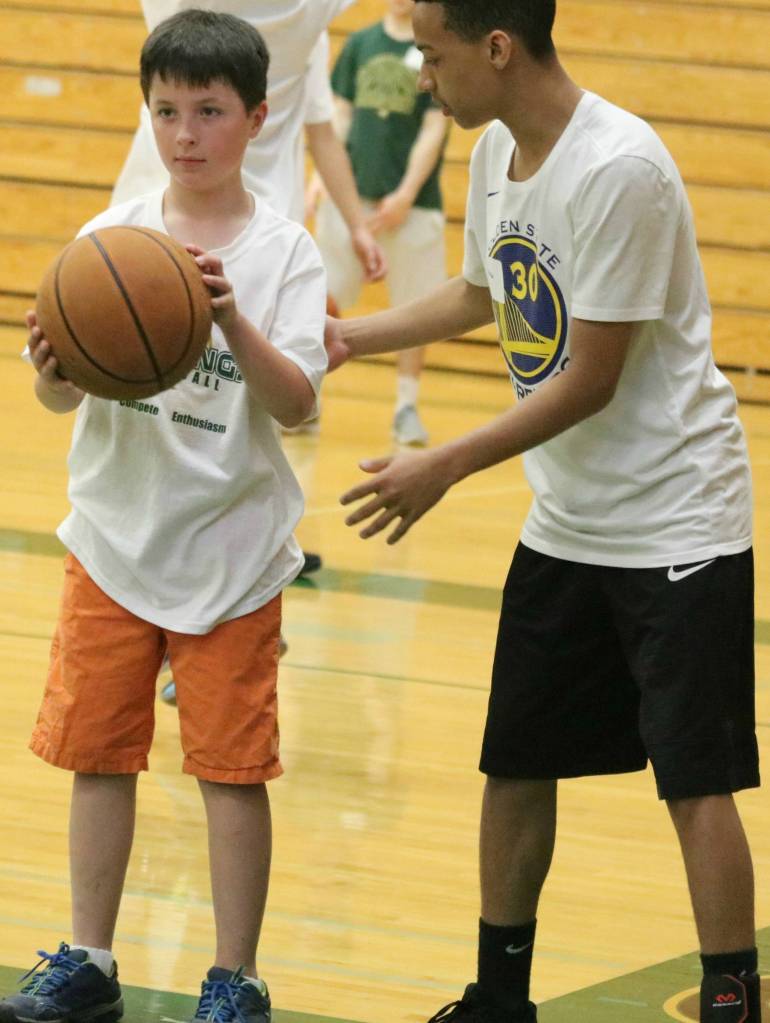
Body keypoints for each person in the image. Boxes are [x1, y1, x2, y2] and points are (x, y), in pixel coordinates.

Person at [325, 2, 762, 1021]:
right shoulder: (493, 159)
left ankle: (731, 997)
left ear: (496, 48)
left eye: (431, 58)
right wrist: (350, 337)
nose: (422, 79)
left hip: (673, 520)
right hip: (567, 518)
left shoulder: (619, 168)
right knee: (516, 760)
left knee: (694, 778)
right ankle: (497, 998)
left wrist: (442, 465)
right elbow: (481, 296)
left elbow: (588, 380)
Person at [0, 11, 327, 1023]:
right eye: (167, 112)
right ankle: (89, 959)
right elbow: (61, 399)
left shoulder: (284, 254)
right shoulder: (108, 241)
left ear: (257, 118)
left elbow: (298, 403)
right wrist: (56, 370)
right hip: (111, 540)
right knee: (99, 756)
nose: (186, 132)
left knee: (230, 774)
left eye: (209, 111)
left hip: (229, 552)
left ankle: (235, 977)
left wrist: (227, 316)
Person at [313, 0, 449, 447]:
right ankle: (306, 393)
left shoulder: (433, 47)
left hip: (414, 207)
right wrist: (320, 182)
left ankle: (407, 407)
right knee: (319, 299)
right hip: (351, 202)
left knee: (418, 307)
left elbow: (434, 127)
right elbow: (338, 119)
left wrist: (407, 194)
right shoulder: (360, 43)